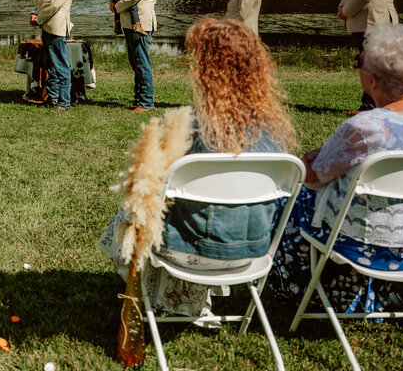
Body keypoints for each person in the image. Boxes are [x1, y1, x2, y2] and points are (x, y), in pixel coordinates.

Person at [98, 17, 298, 316]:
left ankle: (156, 294)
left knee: (132, 209)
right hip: (254, 252)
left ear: (206, 71)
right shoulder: (275, 132)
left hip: (187, 253)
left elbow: (149, 191)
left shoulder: (191, 128)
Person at [269, 23, 403, 314]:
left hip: (368, 248)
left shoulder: (367, 126)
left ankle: (296, 287)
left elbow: (314, 178)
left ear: (373, 79)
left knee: (290, 200)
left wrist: (308, 163)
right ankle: (368, 294)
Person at [113, 0, 162, 112]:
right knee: (135, 62)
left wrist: (116, 6)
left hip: (141, 23)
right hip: (132, 22)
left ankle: (146, 102)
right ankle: (138, 99)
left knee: (142, 63)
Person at [32, 0, 77, 111]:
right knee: (50, 63)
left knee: (60, 64)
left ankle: (64, 101)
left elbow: (55, 3)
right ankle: (53, 97)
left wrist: (39, 19)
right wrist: (34, 12)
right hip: (48, 24)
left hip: (56, 26)